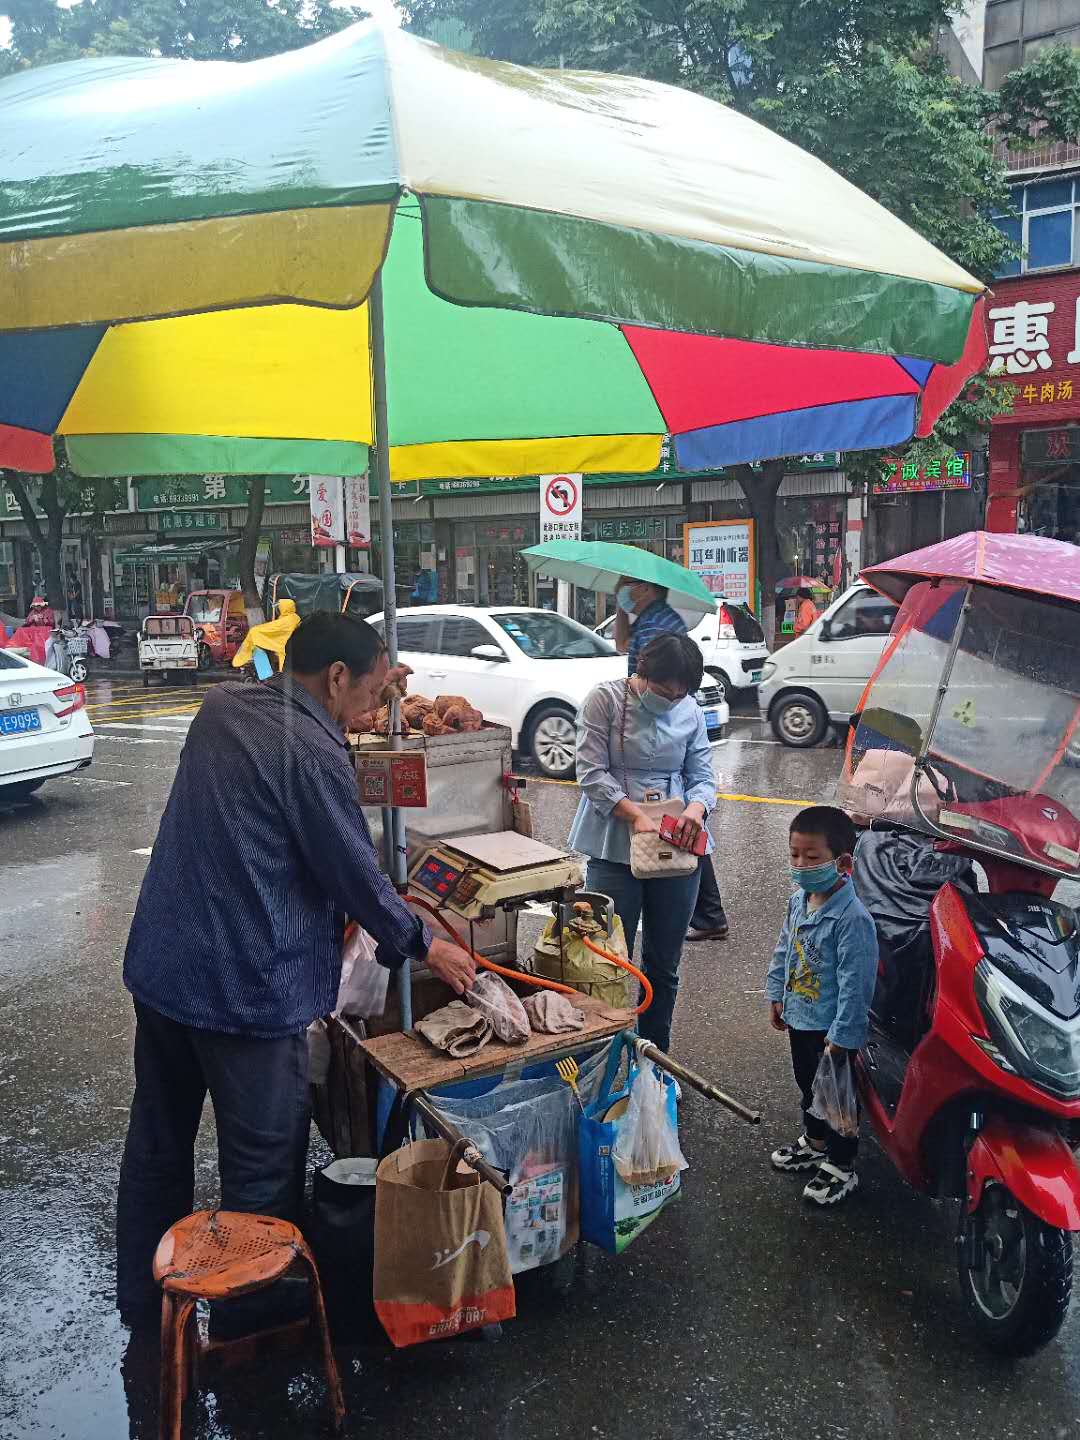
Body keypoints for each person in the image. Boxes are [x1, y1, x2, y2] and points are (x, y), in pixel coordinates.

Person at [116, 612, 476, 1329]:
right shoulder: (312, 751)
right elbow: (352, 870)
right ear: (335, 677)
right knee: (260, 1174)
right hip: (248, 990)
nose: (375, 710)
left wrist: (373, 682)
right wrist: (423, 942)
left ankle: (142, 1302)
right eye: (369, 692)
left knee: (158, 1143)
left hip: (163, 969)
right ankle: (251, 1337)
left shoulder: (221, 708)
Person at [569, 632, 716, 1051]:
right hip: (613, 844)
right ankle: (604, 1057)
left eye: (679, 694)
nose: (670, 701)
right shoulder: (606, 700)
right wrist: (633, 814)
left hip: (675, 846)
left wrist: (696, 810)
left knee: (663, 967)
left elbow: (703, 776)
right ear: (642, 672)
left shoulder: (689, 708)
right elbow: (591, 773)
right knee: (609, 963)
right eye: (662, 691)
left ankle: (655, 1060)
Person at [765, 805, 878, 1206]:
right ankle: (814, 1144)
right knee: (808, 1085)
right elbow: (785, 949)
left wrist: (843, 1037)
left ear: (842, 862)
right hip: (800, 1016)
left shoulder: (853, 919)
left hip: (831, 1030)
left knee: (836, 1098)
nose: (800, 864)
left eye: (812, 857)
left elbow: (856, 985)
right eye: (794, 854)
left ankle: (842, 1165)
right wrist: (776, 992)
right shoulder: (800, 900)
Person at [612, 573, 730, 942]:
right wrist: (621, 608)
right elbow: (622, 645)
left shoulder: (661, 629)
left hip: (662, 797)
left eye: (627, 585)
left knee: (682, 835)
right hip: (629, 818)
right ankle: (710, 913)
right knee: (618, 943)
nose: (624, 591)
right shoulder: (645, 622)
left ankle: (709, 913)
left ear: (647, 587)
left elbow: (701, 774)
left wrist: (697, 807)